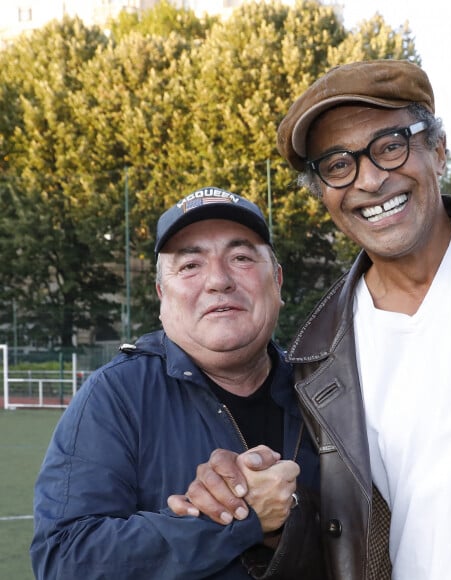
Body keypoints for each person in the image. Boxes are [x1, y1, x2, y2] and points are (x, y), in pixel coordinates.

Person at [179, 61, 451, 579]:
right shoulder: (318, 358)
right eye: (338, 164)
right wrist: (255, 500)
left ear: (437, 150)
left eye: (390, 146)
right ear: (322, 191)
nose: (369, 180)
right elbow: (338, 533)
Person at [30, 186, 323, 579]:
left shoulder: (325, 391)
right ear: (161, 295)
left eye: (240, 258)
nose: (218, 280)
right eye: (190, 266)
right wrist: (236, 519)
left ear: (278, 281)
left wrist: (290, 519)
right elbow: (64, 560)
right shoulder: (116, 395)